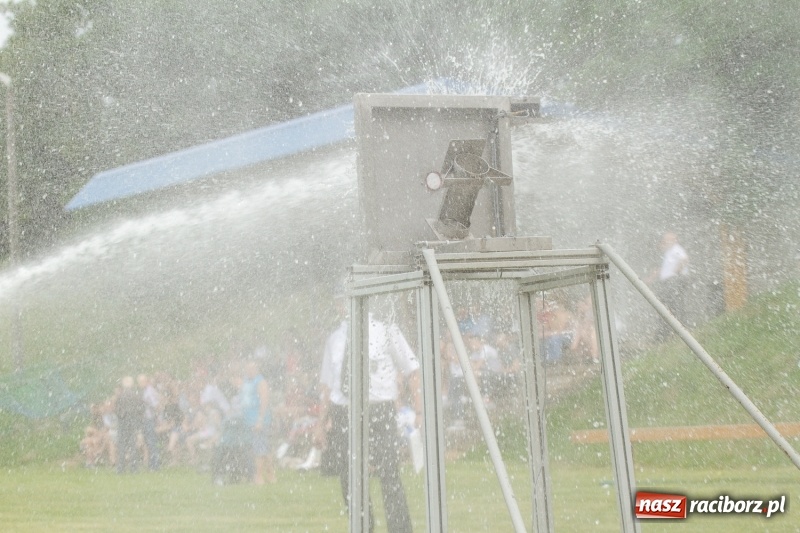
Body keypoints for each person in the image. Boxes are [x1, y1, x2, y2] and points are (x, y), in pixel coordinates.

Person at [316, 300, 421, 533]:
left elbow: (412, 369)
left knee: (389, 474)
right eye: (341, 300)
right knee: (349, 478)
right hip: (345, 412)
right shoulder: (335, 339)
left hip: (379, 410)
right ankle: (364, 527)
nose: (344, 304)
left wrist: (419, 409)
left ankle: (400, 529)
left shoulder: (385, 330)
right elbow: (327, 385)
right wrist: (321, 424)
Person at [241, 359, 275, 484]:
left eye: (251, 369)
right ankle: (271, 474)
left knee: (259, 448)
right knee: (261, 448)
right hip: (248, 420)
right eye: (247, 369)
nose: (248, 371)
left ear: (256, 370)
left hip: (259, 420)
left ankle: (259, 476)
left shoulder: (261, 382)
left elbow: (264, 401)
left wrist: (260, 420)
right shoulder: (246, 381)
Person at [647, 232, 690, 326]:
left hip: (674, 281)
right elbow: (661, 269)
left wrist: (677, 271)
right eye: (665, 240)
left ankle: (678, 326)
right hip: (670, 282)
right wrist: (650, 279)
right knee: (668, 304)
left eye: (667, 240)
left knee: (672, 304)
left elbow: (684, 259)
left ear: (674, 240)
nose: (665, 242)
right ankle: (671, 326)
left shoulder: (676, 249)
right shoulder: (668, 253)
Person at [115, 376, 145, 474]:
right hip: (133, 423)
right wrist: (136, 419)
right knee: (133, 445)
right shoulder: (137, 395)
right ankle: (134, 468)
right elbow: (142, 409)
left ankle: (121, 468)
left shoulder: (120, 396)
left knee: (122, 446)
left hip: (123, 423)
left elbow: (117, 411)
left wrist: (122, 416)